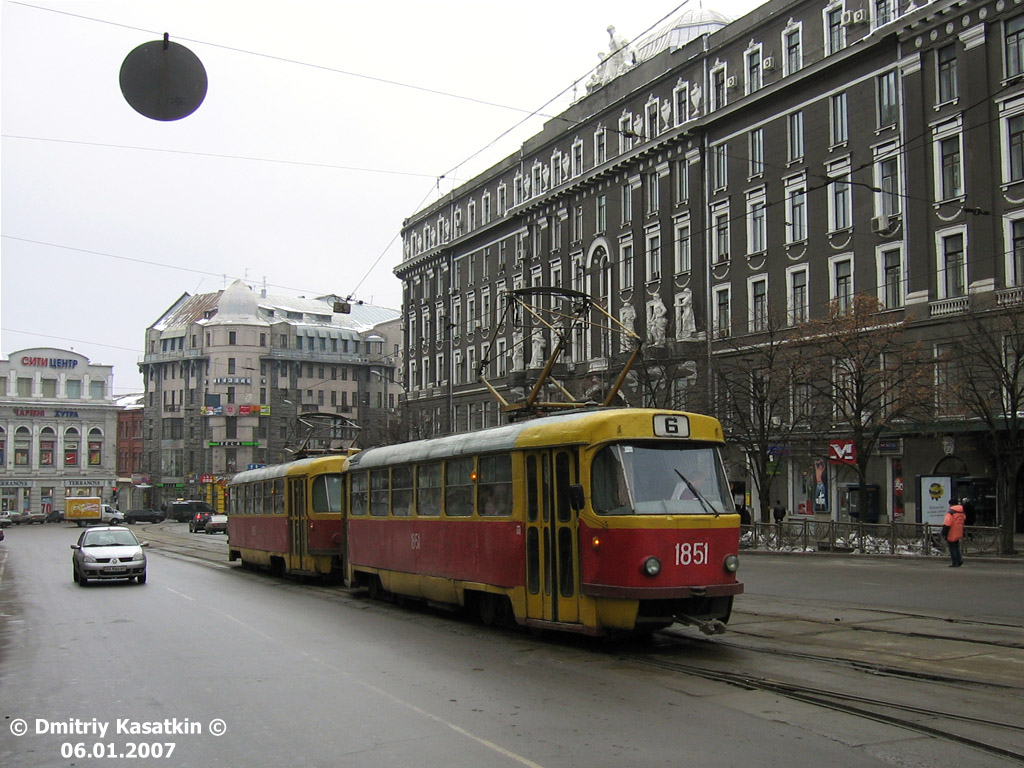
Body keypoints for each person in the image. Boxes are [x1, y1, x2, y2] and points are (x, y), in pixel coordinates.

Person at [942, 501, 967, 567]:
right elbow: (964, 518)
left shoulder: (950, 513)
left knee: (952, 548)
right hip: (959, 531)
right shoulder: (961, 512)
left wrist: (944, 533)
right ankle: (959, 560)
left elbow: (947, 524)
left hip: (951, 532)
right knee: (956, 547)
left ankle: (955, 562)